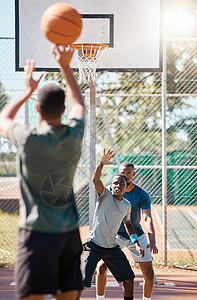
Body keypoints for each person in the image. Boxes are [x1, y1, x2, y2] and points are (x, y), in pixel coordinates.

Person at [0, 45, 85, 300]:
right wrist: (66, 66)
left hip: (36, 232)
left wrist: (27, 91)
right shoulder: (74, 134)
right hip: (69, 233)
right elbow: (79, 104)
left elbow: (3, 119)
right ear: (63, 110)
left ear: (37, 109)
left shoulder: (28, 138)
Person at [79, 149, 144, 300]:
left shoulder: (126, 205)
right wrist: (101, 164)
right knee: (81, 280)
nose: (118, 186)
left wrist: (136, 242)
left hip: (110, 247)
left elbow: (128, 224)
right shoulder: (105, 195)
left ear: (126, 186)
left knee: (128, 278)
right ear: (111, 185)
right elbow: (96, 180)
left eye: (121, 183)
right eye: (115, 183)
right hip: (93, 244)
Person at [96, 161, 158, 300]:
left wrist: (152, 241)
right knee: (101, 267)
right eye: (123, 172)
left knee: (149, 275)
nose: (126, 175)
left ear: (133, 174)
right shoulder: (109, 191)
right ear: (118, 173)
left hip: (136, 236)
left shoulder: (141, 194)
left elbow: (147, 218)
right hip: (114, 236)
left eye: (129, 173)